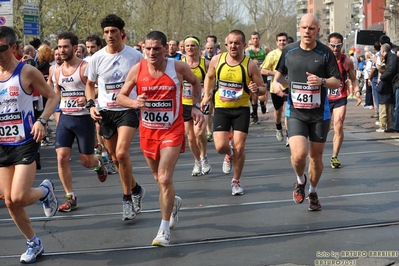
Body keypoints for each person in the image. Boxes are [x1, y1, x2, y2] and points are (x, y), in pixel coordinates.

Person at [116, 30, 205, 246]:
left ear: (166, 49)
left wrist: (194, 106)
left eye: (157, 48)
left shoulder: (179, 67)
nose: (152, 52)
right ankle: (172, 202)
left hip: (171, 130)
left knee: (165, 178)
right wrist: (135, 103)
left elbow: (195, 83)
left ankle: (163, 229)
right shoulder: (138, 70)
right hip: (148, 132)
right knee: (158, 178)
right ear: (143, 49)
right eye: (148, 48)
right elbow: (120, 96)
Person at [0, 26, 60, 264]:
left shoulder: (27, 72)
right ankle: (34, 242)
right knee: (9, 201)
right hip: (3, 145)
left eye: (1, 48)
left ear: (14, 48)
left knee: (21, 196)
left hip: (25, 142)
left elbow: (54, 96)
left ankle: (45, 191)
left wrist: (42, 120)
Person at [272, 14, 340, 211]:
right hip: (296, 112)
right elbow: (279, 76)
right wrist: (276, 84)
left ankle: (313, 191)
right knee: (299, 155)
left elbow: (337, 81)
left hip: (320, 113)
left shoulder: (325, 53)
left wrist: (322, 81)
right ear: (299, 29)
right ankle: (300, 180)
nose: (307, 32)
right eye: (304, 28)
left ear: (318, 30)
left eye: (312, 28)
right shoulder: (289, 51)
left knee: (316, 158)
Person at [85, 14, 145, 221]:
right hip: (106, 112)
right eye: (107, 32)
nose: (110, 35)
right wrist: (91, 104)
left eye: (113, 32)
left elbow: (145, 78)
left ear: (122, 33)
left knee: (121, 153)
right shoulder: (97, 58)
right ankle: (135, 188)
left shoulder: (135, 56)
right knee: (113, 158)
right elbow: (89, 85)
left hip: (127, 110)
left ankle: (127, 198)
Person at [201, 29, 266, 195]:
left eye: (237, 43)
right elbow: (209, 77)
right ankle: (228, 154)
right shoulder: (217, 60)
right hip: (222, 108)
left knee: (240, 146)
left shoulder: (249, 64)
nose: (233, 46)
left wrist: (256, 89)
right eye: (230, 43)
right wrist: (207, 95)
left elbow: (263, 90)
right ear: (225, 44)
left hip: (241, 110)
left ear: (244, 45)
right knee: (220, 146)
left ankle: (236, 181)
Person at [53, 31, 108, 212]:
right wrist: (49, 116)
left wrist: (88, 100)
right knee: (61, 158)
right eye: (59, 46)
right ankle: (70, 197)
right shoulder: (56, 70)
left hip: (83, 119)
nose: (61, 50)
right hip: (65, 118)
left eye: (65, 46)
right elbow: (56, 94)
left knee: (86, 162)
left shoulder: (85, 68)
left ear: (75, 48)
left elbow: (100, 89)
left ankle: (98, 163)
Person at [327, 32, 361, 169]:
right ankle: (316, 154)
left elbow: (353, 79)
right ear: (328, 45)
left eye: (338, 46)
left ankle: (334, 156)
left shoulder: (347, 61)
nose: (335, 49)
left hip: (340, 97)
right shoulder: (322, 59)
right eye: (333, 45)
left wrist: (357, 92)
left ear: (342, 45)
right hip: (324, 98)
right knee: (322, 129)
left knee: (339, 124)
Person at [181, 35, 212, 176]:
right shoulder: (180, 63)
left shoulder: (205, 63)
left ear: (198, 48)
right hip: (185, 103)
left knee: (199, 133)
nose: (190, 48)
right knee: (191, 137)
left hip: (201, 103)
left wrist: (207, 94)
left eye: (193, 45)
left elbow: (212, 81)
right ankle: (197, 161)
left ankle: (204, 157)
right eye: (187, 45)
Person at [261, 32, 289, 145]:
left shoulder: (291, 53)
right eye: (280, 40)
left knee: (288, 111)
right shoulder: (272, 55)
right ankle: (278, 128)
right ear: (277, 42)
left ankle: (289, 135)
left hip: (289, 87)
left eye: (284, 40)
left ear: (287, 41)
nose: (282, 42)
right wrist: (277, 74)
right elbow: (263, 70)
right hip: (276, 88)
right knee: (278, 111)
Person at [245, 31, 270, 124]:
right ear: (251, 40)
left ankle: (263, 104)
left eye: (257, 38)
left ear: (259, 39)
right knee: (254, 95)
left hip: (262, 74)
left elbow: (271, 59)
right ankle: (255, 116)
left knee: (262, 97)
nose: (255, 40)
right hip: (253, 75)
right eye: (253, 39)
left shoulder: (265, 49)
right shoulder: (248, 51)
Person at [376, 43, 396, 132]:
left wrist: (380, 78)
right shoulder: (392, 58)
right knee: (390, 111)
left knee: (383, 111)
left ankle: (382, 126)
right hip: (390, 92)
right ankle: (390, 125)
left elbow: (379, 89)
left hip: (383, 94)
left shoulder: (388, 59)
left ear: (383, 50)